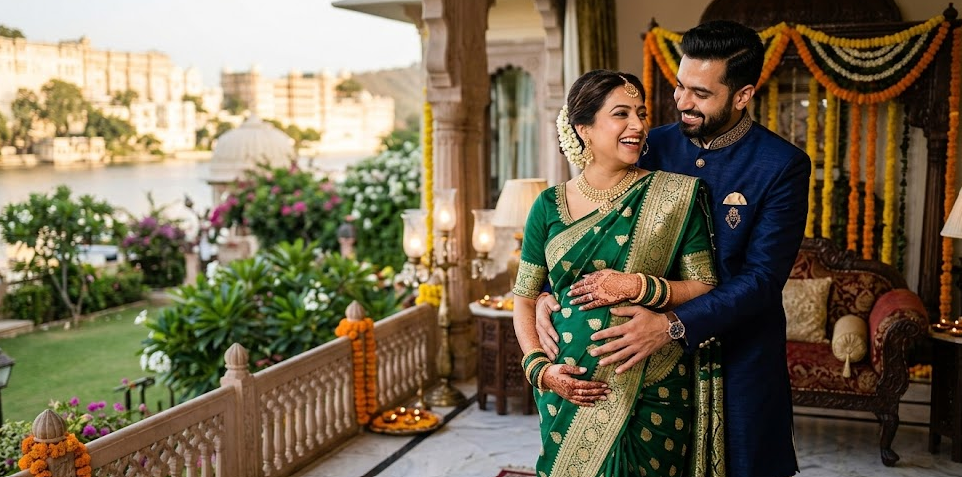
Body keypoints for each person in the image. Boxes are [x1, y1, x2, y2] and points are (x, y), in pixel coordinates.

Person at [535, 20, 810, 477]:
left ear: (742, 95)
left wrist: (671, 326)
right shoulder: (648, 143)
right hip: (642, 364)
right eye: (679, 86)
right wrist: (547, 293)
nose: (682, 102)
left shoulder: (780, 166)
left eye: (700, 94)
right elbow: (588, 216)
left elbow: (761, 280)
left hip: (737, 358)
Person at [513, 69, 723, 477]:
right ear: (584, 129)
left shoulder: (675, 196)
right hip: (568, 394)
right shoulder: (548, 206)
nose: (638, 125)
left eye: (641, 114)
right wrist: (539, 369)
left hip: (653, 381)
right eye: (621, 114)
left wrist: (640, 286)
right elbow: (524, 297)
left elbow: (704, 286)